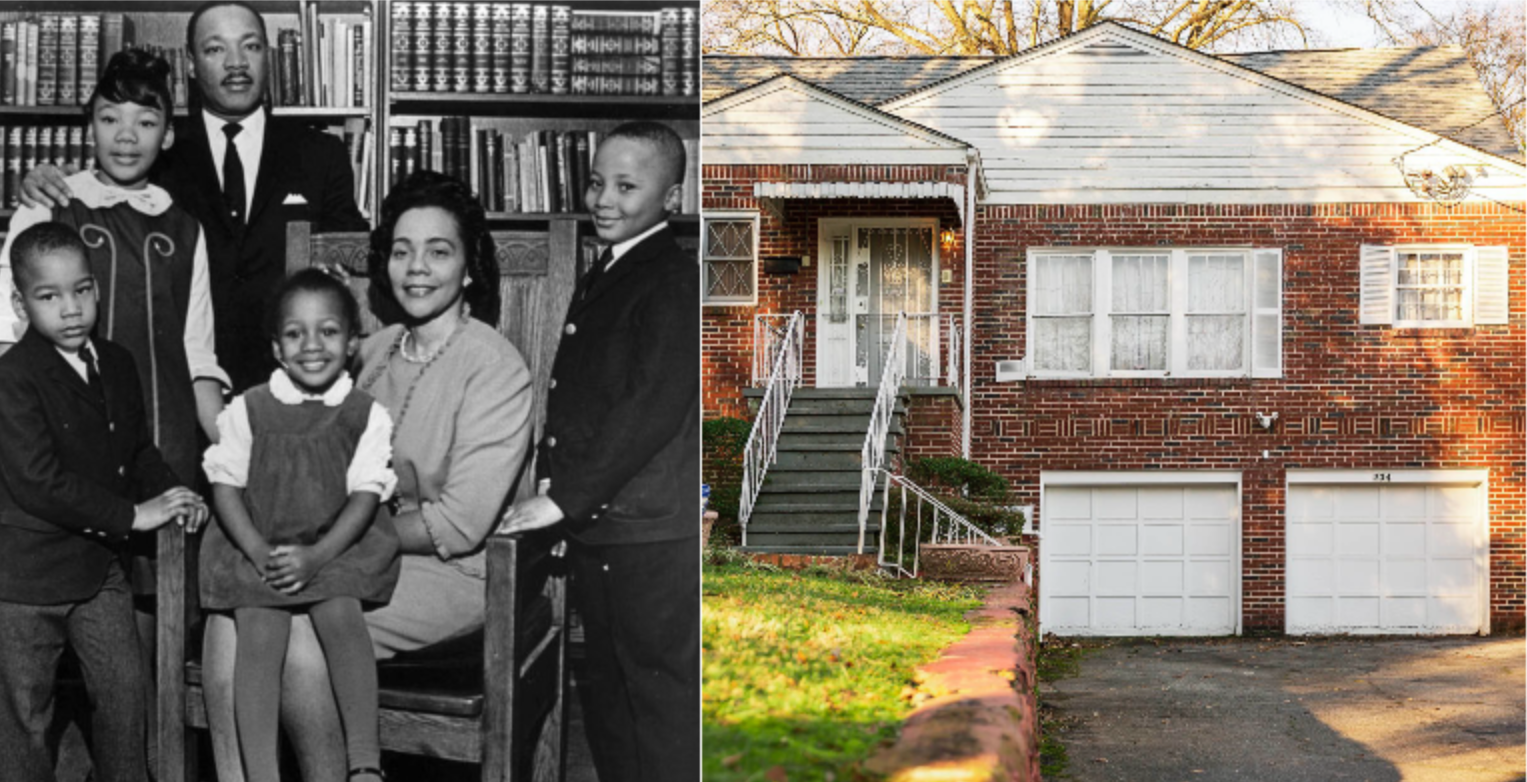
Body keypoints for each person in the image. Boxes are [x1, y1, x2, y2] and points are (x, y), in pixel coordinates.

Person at [199, 171, 534, 782]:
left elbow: (458, 526)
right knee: (230, 609)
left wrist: (325, 541)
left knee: (300, 628)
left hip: (452, 571)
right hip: (347, 546)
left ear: (469, 267)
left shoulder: (495, 367)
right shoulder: (370, 350)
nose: (417, 268)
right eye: (402, 250)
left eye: (439, 251)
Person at [20, 0, 367, 394]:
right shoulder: (156, 149)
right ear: (190, 63)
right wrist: (45, 181)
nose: (236, 63)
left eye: (250, 46)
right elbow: (98, 195)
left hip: (292, 381)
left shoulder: (319, 152)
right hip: (177, 387)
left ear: (268, 57)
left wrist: (343, 276)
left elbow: (353, 260)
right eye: (215, 49)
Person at [499, 120, 700, 782]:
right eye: (595, 182)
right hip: (605, 527)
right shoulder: (614, 268)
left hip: (644, 535)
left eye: (625, 186)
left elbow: (649, 410)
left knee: (657, 697)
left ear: (671, 197)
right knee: (608, 693)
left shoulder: (669, 278)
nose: (603, 199)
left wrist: (560, 500)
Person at [0, 221, 208, 782]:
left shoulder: (115, 361)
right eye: (49, 296)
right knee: (25, 720)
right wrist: (133, 516)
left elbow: (136, 448)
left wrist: (171, 493)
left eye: (82, 290)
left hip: (98, 573)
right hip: (23, 583)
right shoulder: (12, 377)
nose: (70, 308)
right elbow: (37, 481)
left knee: (124, 695)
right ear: (21, 304)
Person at [201, 269, 398, 782]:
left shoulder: (365, 415)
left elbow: (364, 497)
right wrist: (256, 550)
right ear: (276, 347)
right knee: (259, 628)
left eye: (329, 331)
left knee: (341, 613)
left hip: (333, 545)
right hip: (258, 541)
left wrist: (319, 556)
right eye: (295, 333)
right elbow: (225, 487)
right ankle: (261, 773)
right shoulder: (248, 408)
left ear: (353, 343)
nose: (312, 346)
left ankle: (365, 764)